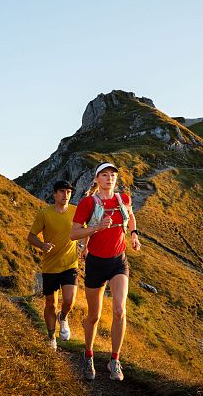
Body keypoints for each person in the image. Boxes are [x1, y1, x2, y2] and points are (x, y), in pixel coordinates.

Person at [70, 162, 141, 381]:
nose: (109, 178)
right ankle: (88, 355)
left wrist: (134, 234)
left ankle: (114, 361)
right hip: (95, 264)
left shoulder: (123, 199)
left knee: (120, 310)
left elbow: (130, 216)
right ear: (97, 179)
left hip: (118, 262)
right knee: (94, 315)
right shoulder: (88, 203)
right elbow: (74, 233)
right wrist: (98, 227)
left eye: (112, 175)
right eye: (104, 175)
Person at [27, 180, 79, 350]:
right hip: (50, 266)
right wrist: (42, 245)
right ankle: (51, 337)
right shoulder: (44, 213)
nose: (66, 195)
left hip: (70, 264)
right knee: (50, 303)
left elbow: (84, 230)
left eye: (69, 192)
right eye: (62, 192)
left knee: (69, 301)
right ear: (54, 194)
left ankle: (63, 317)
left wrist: (86, 245)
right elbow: (31, 236)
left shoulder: (75, 211)